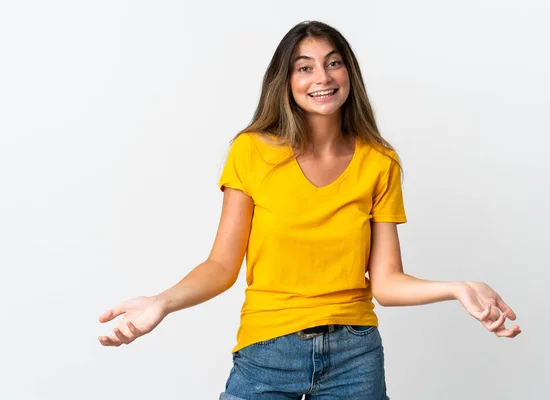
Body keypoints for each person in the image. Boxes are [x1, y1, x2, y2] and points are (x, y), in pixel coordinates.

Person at [98, 20, 521, 399]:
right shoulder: (252, 152)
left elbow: (387, 283)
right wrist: (162, 301)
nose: (322, 77)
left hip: (355, 357)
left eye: (334, 63)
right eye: (305, 67)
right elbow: (221, 265)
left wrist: (457, 288)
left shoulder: (379, 161)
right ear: (286, 80)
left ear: (349, 73)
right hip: (267, 351)